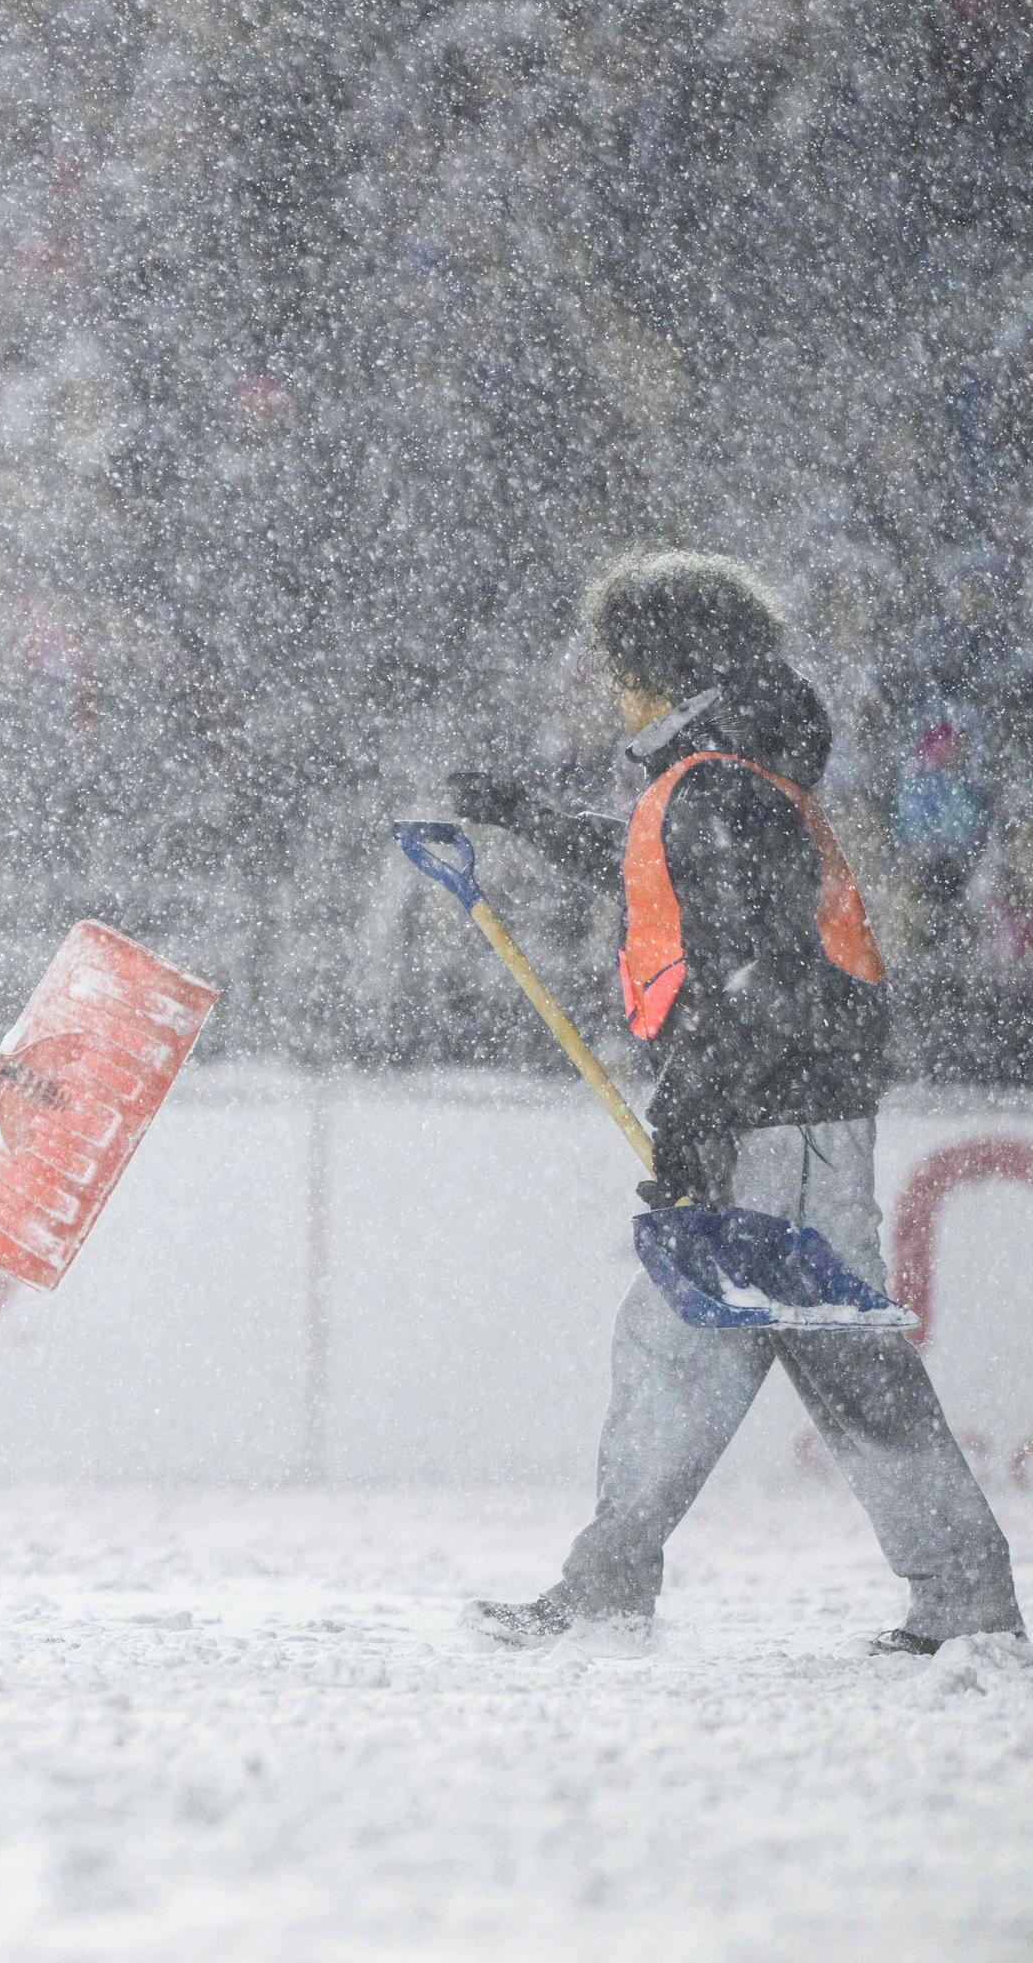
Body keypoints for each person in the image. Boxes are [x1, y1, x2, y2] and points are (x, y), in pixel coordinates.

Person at [447, 551, 1021, 1655]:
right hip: (783, 1112)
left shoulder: (719, 787)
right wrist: (527, 816)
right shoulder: (722, 779)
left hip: (776, 1123)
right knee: (722, 1346)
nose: (611, 688)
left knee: (797, 1357)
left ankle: (960, 1600)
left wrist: (692, 1122)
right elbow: (660, 874)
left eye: (621, 667)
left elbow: (755, 979)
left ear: (663, 668)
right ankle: (631, 1578)